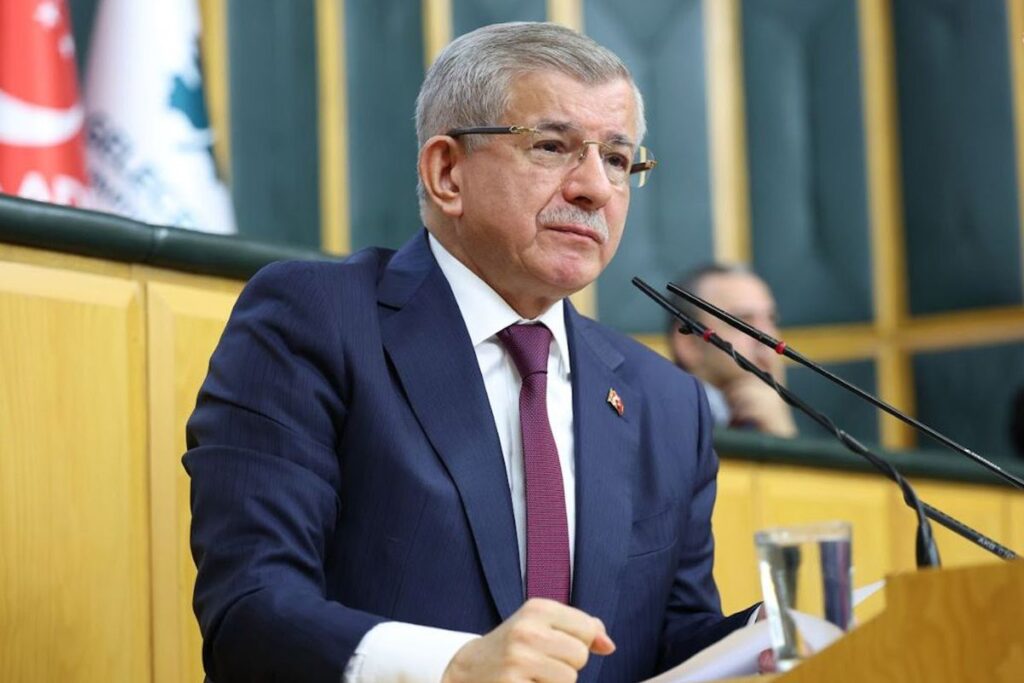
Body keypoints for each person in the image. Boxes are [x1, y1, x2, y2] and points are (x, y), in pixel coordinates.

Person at [184, 22, 757, 683]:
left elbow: (667, 648)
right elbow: (250, 610)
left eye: (618, 160)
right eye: (552, 147)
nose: (596, 188)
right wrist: (452, 668)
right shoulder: (316, 322)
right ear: (447, 172)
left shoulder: (666, 402)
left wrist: (783, 637)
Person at [667, 264, 798, 438]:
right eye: (743, 323)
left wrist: (782, 430)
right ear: (689, 344)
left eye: (771, 320)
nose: (769, 339)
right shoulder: (664, 421)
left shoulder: (767, 415)